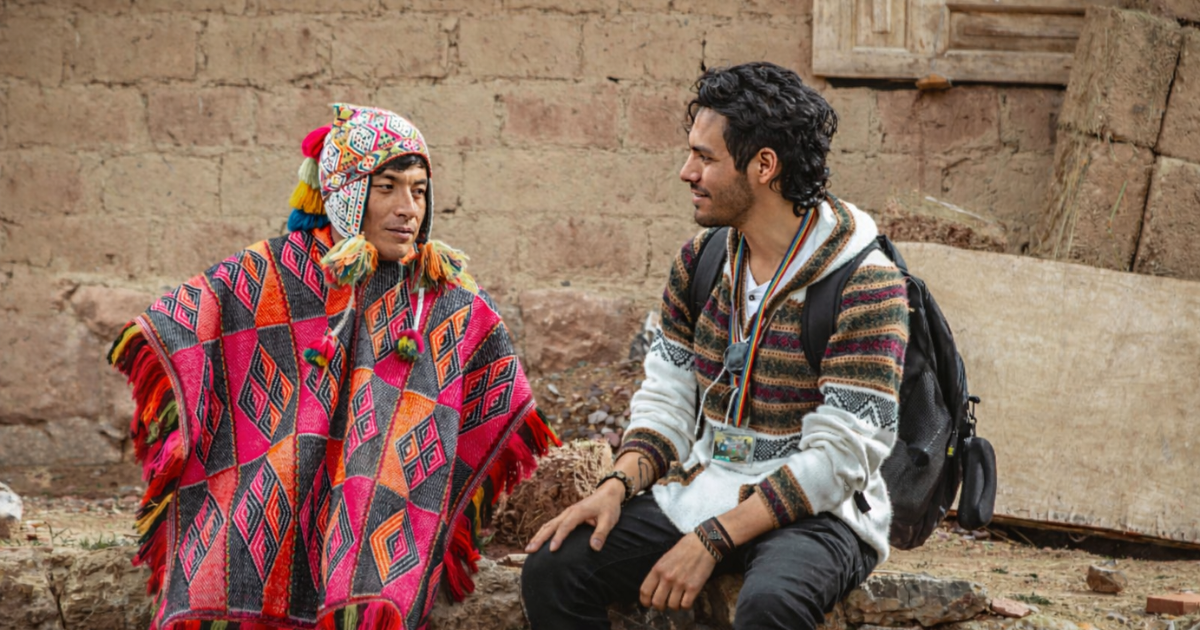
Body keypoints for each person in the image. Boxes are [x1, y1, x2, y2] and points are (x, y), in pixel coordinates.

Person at [108, 103, 557, 630]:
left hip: (383, 502)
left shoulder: (442, 297)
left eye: (418, 189)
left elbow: (497, 383)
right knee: (237, 537)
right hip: (275, 482)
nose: (407, 208)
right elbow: (177, 325)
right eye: (386, 187)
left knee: (374, 527)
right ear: (347, 194)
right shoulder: (281, 271)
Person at [521, 62, 910, 630]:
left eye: (705, 157)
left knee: (770, 606)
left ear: (764, 166)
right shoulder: (699, 263)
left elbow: (841, 459)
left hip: (820, 513)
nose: (687, 172)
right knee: (556, 568)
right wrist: (617, 484)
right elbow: (669, 399)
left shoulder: (864, 283)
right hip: (705, 487)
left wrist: (713, 540)